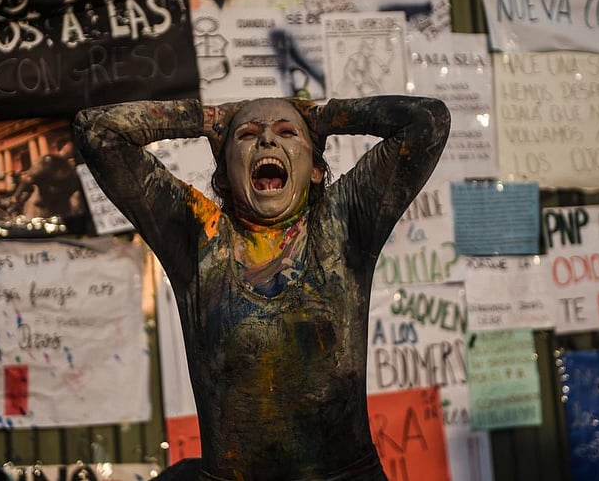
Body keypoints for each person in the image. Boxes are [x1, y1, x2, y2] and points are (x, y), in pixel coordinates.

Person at [73, 95, 450, 481]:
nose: (268, 141)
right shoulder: (198, 238)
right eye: (248, 135)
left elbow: (427, 122)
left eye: (287, 132)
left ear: (316, 169)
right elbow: (99, 130)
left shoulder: (343, 224)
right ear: (224, 176)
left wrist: (324, 116)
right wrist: (205, 118)